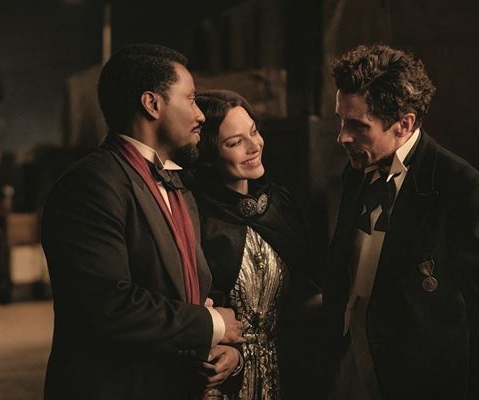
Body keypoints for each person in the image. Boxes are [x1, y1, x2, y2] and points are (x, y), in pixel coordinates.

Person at [324, 44, 479, 400]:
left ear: (404, 124)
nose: (342, 136)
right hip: (349, 376)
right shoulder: (357, 168)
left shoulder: (466, 193)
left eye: (357, 125)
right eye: (341, 120)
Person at [41, 44, 244, 400]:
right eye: (190, 99)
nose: (200, 115)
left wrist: (221, 348)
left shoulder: (178, 186)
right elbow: (107, 305)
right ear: (152, 104)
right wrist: (211, 325)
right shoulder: (89, 185)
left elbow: (187, 291)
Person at [185, 90, 322, 399]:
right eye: (235, 142)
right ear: (208, 152)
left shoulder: (280, 204)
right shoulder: (193, 215)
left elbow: (301, 290)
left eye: (254, 131)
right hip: (219, 378)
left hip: (286, 371)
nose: (254, 145)